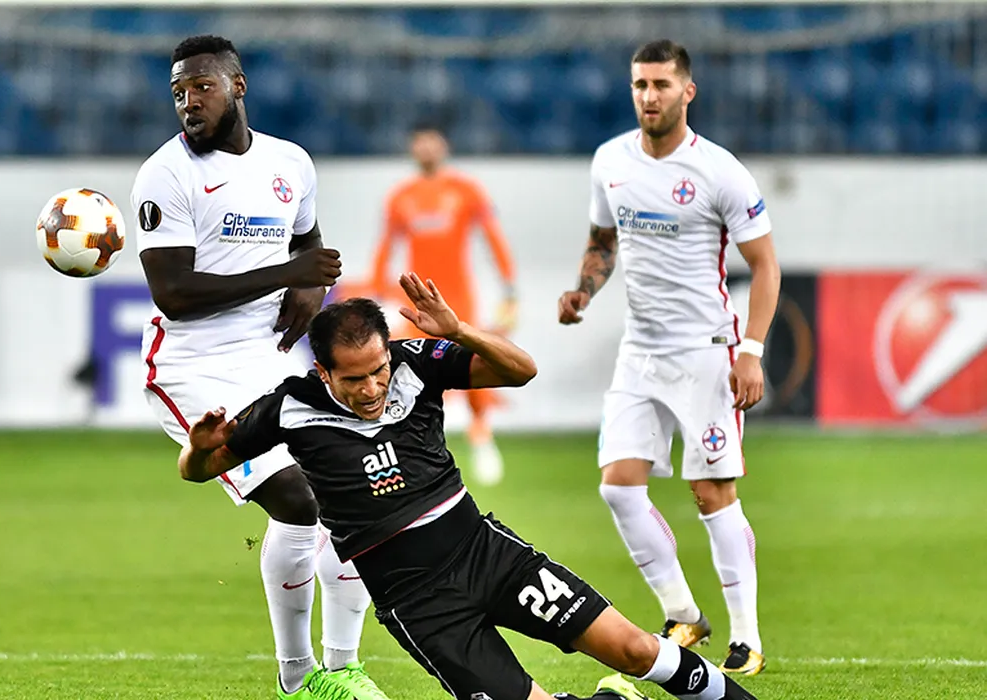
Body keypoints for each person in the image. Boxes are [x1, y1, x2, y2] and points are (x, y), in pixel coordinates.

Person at [177, 273, 761, 700]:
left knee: (634, 648)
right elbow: (198, 470)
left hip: (486, 554)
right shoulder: (287, 408)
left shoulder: (414, 362)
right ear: (323, 372)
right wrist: (199, 450)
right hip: (419, 603)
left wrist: (459, 330)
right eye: (354, 380)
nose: (372, 388)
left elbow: (521, 370)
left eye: (379, 370)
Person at [130, 34, 388, 700]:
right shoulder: (166, 174)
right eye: (178, 91)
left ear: (237, 87)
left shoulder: (290, 163)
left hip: (268, 359)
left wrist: (311, 286)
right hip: (192, 365)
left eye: (202, 86)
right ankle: (297, 679)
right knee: (298, 498)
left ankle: (343, 667)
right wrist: (287, 274)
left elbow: (309, 244)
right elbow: (174, 294)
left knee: (356, 492)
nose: (189, 101)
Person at [557, 39, 781, 676]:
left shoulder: (720, 172)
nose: (649, 96)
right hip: (640, 352)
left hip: (706, 354)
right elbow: (603, 240)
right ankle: (684, 614)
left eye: (661, 84)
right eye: (639, 84)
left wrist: (751, 352)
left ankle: (747, 638)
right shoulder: (610, 161)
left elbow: (766, 267)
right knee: (618, 487)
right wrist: (583, 291)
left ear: (688, 91)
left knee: (711, 492)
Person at [369, 122, 517, 486]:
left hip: (457, 297)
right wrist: (377, 289)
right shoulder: (400, 196)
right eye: (419, 143)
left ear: (444, 146)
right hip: (416, 298)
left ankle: (482, 436)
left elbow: (493, 238)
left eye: (431, 142)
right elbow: (386, 246)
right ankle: (405, 446)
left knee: (471, 361)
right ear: (412, 148)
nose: (426, 149)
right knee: (405, 368)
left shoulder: (466, 190)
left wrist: (509, 286)